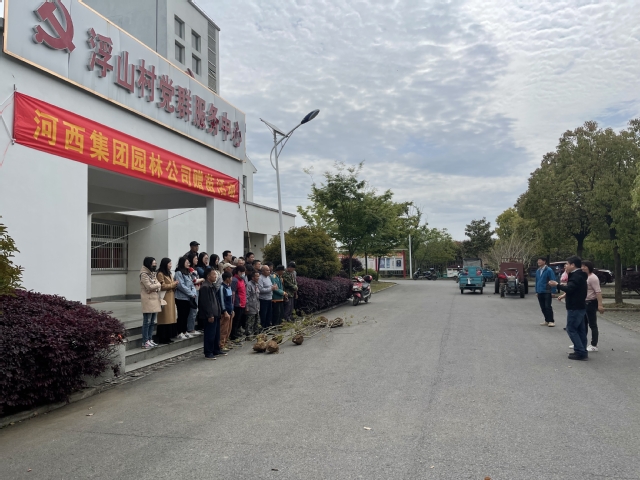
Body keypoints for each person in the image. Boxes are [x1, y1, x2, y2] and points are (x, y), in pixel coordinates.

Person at [549, 256, 589, 361]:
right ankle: (581, 350)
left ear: (573, 265)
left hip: (575, 306)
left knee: (571, 329)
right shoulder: (580, 275)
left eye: (567, 264)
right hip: (580, 305)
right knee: (580, 329)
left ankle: (580, 351)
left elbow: (570, 289)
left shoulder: (576, 276)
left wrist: (557, 285)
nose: (565, 266)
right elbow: (572, 288)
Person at [198, 267, 227, 359]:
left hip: (216, 313)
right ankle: (208, 352)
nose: (215, 276)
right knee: (210, 334)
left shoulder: (212, 286)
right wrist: (210, 314)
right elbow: (205, 303)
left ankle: (216, 350)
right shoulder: (205, 287)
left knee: (216, 334)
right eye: (214, 274)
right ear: (208, 276)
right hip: (210, 315)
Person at [139, 257, 162, 349]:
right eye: (153, 263)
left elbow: (158, 285)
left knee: (152, 321)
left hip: (154, 299)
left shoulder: (152, 273)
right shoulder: (144, 274)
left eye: (155, 263)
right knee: (147, 321)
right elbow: (149, 286)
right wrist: (156, 286)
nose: (155, 265)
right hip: (148, 300)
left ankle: (150, 338)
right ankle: (145, 341)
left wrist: (155, 286)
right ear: (149, 263)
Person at [582, 261, 604, 352]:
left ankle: (594, 344)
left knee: (592, 324)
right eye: (582, 266)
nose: (583, 268)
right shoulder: (584, 277)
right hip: (584, 302)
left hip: (591, 303)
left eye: (585, 266)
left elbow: (598, 292)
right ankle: (582, 342)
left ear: (589, 267)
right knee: (583, 324)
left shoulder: (593, 278)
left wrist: (600, 305)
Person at [156, 258, 179, 344]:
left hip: (171, 296)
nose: (171, 265)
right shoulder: (160, 274)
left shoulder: (169, 273)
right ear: (165, 264)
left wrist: (175, 285)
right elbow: (162, 286)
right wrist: (173, 284)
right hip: (164, 297)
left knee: (170, 317)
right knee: (165, 317)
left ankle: (168, 336)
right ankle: (163, 337)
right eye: (169, 264)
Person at [174, 256, 197, 340]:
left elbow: (192, 284)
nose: (188, 264)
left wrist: (193, 293)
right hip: (180, 297)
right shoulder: (178, 273)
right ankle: (180, 332)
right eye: (187, 262)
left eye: (189, 263)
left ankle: (184, 331)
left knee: (186, 314)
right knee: (181, 315)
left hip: (188, 297)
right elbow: (181, 286)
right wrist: (190, 293)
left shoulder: (188, 273)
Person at [186, 252, 204, 337]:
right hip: (194, 291)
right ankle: (190, 328)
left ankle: (192, 327)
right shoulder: (190, 269)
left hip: (197, 290)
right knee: (193, 310)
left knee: (195, 310)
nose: (197, 260)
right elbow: (194, 280)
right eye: (195, 258)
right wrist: (202, 279)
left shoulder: (195, 269)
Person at [535, 257, 557, 327]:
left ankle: (551, 321)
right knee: (543, 307)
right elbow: (537, 281)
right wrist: (537, 291)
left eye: (540, 260)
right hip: (540, 291)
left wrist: (553, 291)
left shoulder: (549, 270)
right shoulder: (538, 271)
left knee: (548, 306)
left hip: (547, 291)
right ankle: (546, 320)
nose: (538, 262)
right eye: (538, 260)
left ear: (544, 261)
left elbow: (553, 280)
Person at [230, 265, 247, 342]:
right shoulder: (234, 280)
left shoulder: (242, 280)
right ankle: (233, 335)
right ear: (239, 272)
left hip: (243, 302)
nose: (243, 274)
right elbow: (233, 293)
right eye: (242, 272)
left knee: (239, 320)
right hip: (237, 303)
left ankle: (236, 333)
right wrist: (235, 303)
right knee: (235, 320)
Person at [218, 272, 234, 351]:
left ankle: (225, 343)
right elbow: (222, 301)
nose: (231, 279)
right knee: (223, 329)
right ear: (227, 278)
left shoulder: (229, 287)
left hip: (230, 311)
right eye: (231, 278)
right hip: (225, 313)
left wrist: (232, 310)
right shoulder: (222, 288)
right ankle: (221, 345)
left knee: (228, 329)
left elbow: (231, 300)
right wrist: (224, 311)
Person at [245, 270, 261, 339]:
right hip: (251, 306)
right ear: (253, 277)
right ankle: (249, 335)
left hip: (256, 306)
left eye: (258, 276)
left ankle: (256, 334)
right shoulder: (249, 285)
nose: (258, 278)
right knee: (250, 322)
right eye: (257, 276)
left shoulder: (257, 284)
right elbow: (246, 296)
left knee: (257, 321)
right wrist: (247, 306)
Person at [258, 265, 275, 329]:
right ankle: (263, 327)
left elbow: (269, 286)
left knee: (269, 314)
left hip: (269, 298)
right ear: (262, 271)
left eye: (269, 270)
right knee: (263, 314)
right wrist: (271, 289)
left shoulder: (268, 277)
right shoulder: (260, 278)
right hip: (263, 299)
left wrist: (273, 287)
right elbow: (260, 290)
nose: (269, 271)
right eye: (267, 270)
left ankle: (268, 327)